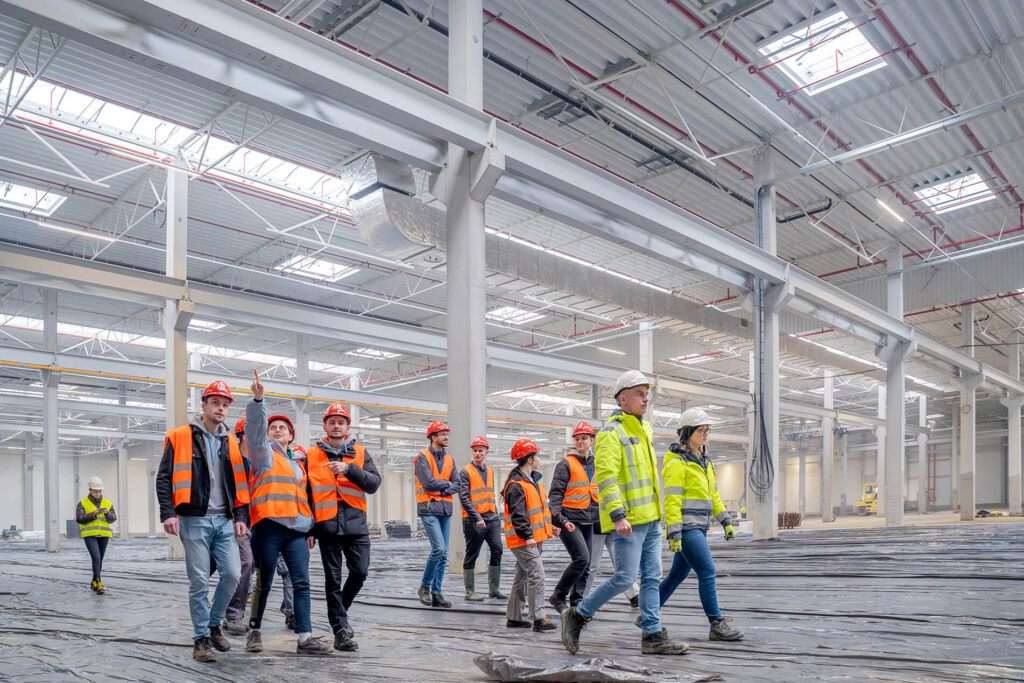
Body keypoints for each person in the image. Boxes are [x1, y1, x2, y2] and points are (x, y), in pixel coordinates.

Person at [560, 370, 689, 656]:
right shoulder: (610, 433)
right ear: (623, 398)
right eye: (640, 394)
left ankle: (653, 634)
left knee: (652, 577)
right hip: (629, 521)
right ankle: (578, 614)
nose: (646, 399)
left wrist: (662, 516)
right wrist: (617, 514)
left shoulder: (644, 430)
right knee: (624, 577)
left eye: (647, 393)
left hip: (652, 518)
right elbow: (606, 477)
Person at [156, 380, 250, 663]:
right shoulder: (180, 436)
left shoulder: (230, 441)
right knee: (199, 580)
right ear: (204, 405)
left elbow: (240, 484)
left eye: (225, 405)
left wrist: (241, 517)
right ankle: (201, 639)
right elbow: (163, 478)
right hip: (193, 519)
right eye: (215, 403)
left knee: (233, 574)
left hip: (224, 520)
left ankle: (213, 622)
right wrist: (168, 512)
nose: (220, 409)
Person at [244, 370, 331, 655]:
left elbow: (305, 498)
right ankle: (254, 630)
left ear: (292, 435)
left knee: (301, 581)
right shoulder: (263, 455)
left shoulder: (297, 465)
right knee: (265, 579)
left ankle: (305, 637)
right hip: (268, 527)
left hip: (296, 530)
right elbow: (254, 431)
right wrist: (258, 401)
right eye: (274, 428)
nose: (278, 430)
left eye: (284, 428)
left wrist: (309, 529)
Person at [658, 407, 743, 642]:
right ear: (687, 433)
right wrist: (674, 532)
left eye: (707, 430)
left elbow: (714, 497)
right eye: (701, 430)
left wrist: (726, 521)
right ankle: (716, 623)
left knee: (676, 576)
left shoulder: (705, 462)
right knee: (707, 571)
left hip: (700, 527)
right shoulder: (677, 464)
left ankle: (648, 614)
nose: (706, 434)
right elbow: (672, 500)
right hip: (687, 528)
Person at [306, 402, 382, 652]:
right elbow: (306, 493)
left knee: (360, 572)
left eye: (341, 422)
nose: (336, 426)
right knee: (333, 580)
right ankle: (340, 631)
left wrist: (349, 469)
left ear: (347, 427)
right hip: (326, 525)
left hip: (356, 524)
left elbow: (373, 484)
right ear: (325, 426)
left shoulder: (360, 453)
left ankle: (341, 613)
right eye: (332, 422)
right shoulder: (312, 455)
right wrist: (309, 530)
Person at [502, 438, 573, 632]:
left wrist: (553, 527)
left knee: (522, 576)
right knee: (537, 575)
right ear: (529, 459)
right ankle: (538, 617)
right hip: (524, 540)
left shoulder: (533, 480)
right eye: (537, 455)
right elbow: (519, 515)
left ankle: (514, 617)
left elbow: (541, 508)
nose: (539, 458)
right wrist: (527, 536)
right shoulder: (516, 485)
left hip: (535, 537)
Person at [547, 422, 599, 613]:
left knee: (587, 563)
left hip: (589, 519)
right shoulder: (566, 464)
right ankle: (558, 595)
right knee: (581, 559)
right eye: (577, 439)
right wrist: (557, 519)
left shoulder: (596, 464)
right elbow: (555, 495)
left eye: (584, 438)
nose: (580, 442)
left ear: (592, 440)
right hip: (569, 520)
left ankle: (577, 602)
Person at [414, 421, 461, 608]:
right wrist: (446, 485)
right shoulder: (422, 458)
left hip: (445, 509)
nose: (446, 437)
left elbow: (458, 483)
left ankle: (437, 593)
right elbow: (428, 483)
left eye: (446, 434)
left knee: (443, 554)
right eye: (442, 434)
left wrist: (444, 489)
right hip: (428, 508)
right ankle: (425, 586)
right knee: (439, 548)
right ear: (433, 438)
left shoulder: (449, 459)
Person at [457, 435, 505, 602]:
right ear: (472, 452)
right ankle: (470, 591)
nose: (477, 453)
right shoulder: (465, 472)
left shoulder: (490, 471)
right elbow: (464, 498)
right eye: (475, 451)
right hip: (473, 520)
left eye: (480, 450)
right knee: (472, 553)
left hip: (491, 518)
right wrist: (476, 517)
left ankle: (494, 589)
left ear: (486, 452)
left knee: (497, 549)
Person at [223, 418, 254, 636]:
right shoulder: (232, 460)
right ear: (243, 435)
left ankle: (222, 610)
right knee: (245, 562)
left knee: (249, 565)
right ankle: (232, 614)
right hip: (236, 521)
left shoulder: (264, 461)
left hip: (260, 521)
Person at [76, 476, 116, 595]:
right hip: (90, 535)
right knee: (96, 558)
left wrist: (107, 513)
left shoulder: (107, 503)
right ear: (90, 490)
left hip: (104, 535)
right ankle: (98, 582)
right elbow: (79, 519)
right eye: (95, 491)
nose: (97, 493)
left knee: (100, 560)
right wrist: (94, 514)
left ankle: (94, 580)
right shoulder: (82, 503)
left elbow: (113, 518)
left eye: (99, 491)